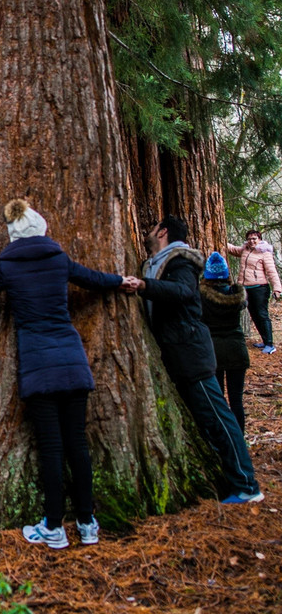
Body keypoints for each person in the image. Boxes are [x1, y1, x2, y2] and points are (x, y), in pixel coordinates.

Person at [0, 199, 134, 549]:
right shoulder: (58, 259)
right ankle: (87, 522)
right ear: (41, 228)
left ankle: (53, 526)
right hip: (72, 359)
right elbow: (92, 279)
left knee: (52, 448)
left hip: (38, 366)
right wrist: (120, 281)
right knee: (77, 445)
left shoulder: (9, 267)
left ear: (13, 234)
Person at [125, 216, 263, 504]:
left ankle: (247, 485)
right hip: (177, 353)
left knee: (218, 418)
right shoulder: (157, 262)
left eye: (151, 229)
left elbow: (183, 291)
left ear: (162, 232)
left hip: (190, 352)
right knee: (204, 422)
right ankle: (230, 479)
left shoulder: (180, 261)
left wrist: (142, 286)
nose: (147, 234)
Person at [200, 252, 250, 431]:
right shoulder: (236, 295)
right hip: (237, 349)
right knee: (236, 399)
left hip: (213, 351)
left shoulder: (201, 297)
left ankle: (223, 437)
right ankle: (240, 437)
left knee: (218, 399)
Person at [226, 229, 280, 354]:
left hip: (260, 288)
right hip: (246, 288)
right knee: (254, 315)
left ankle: (270, 344)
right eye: (249, 239)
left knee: (262, 315)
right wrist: (221, 238)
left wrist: (277, 288)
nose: (252, 241)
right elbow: (233, 249)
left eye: (254, 239)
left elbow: (272, 272)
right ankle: (264, 340)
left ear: (259, 239)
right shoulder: (245, 250)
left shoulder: (264, 253)